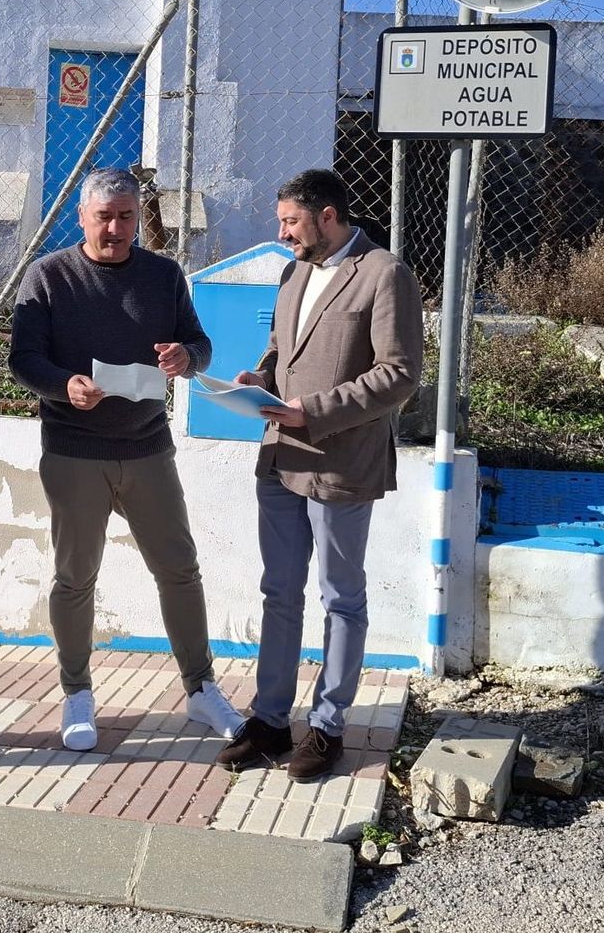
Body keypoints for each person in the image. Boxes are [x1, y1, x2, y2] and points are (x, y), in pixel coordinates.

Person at [8, 167, 246, 751]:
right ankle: (76, 693)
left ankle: (200, 689)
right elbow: (23, 359)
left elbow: (200, 342)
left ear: (139, 218)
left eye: (126, 217)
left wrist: (184, 358)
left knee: (179, 571)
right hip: (74, 452)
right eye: (104, 217)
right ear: (81, 217)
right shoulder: (48, 277)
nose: (115, 228)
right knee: (74, 578)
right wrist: (65, 385)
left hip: (146, 450)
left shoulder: (164, 274)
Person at [218, 168, 423, 781]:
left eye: (290, 222)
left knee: (341, 597)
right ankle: (272, 719)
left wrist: (315, 410)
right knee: (279, 592)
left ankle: (329, 725)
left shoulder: (385, 274)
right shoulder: (294, 272)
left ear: (328, 216)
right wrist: (260, 379)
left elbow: (399, 374)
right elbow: (285, 352)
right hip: (280, 458)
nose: (281, 234)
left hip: (339, 463)